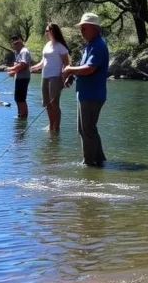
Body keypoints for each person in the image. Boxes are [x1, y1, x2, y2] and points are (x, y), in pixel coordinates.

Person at [63, 13, 109, 167]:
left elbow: (90, 68)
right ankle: (99, 161)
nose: (81, 31)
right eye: (81, 28)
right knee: (87, 130)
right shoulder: (90, 44)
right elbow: (84, 68)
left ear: (95, 28)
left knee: (87, 130)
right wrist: (72, 75)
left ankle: (88, 165)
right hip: (86, 94)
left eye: (84, 28)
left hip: (92, 95)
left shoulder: (98, 45)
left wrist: (70, 69)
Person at [30, 23, 70, 131]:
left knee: (54, 103)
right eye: (45, 31)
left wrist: (65, 77)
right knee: (47, 102)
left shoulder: (60, 46)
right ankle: (51, 124)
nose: (45, 33)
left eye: (47, 31)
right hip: (45, 76)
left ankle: (56, 126)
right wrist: (35, 67)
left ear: (53, 31)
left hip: (55, 77)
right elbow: (44, 61)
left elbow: (66, 63)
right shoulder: (47, 45)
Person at [7, 35, 33, 118]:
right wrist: (14, 72)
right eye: (13, 43)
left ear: (20, 42)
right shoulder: (18, 52)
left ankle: (23, 116)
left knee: (21, 99)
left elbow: (23, 64)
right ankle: (20, 115)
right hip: (19, 78)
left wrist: (12, 69)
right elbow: (19, 65)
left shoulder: (24, 51)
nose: (14, 45)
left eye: (16, 43)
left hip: (24, 78)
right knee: (17, 99)